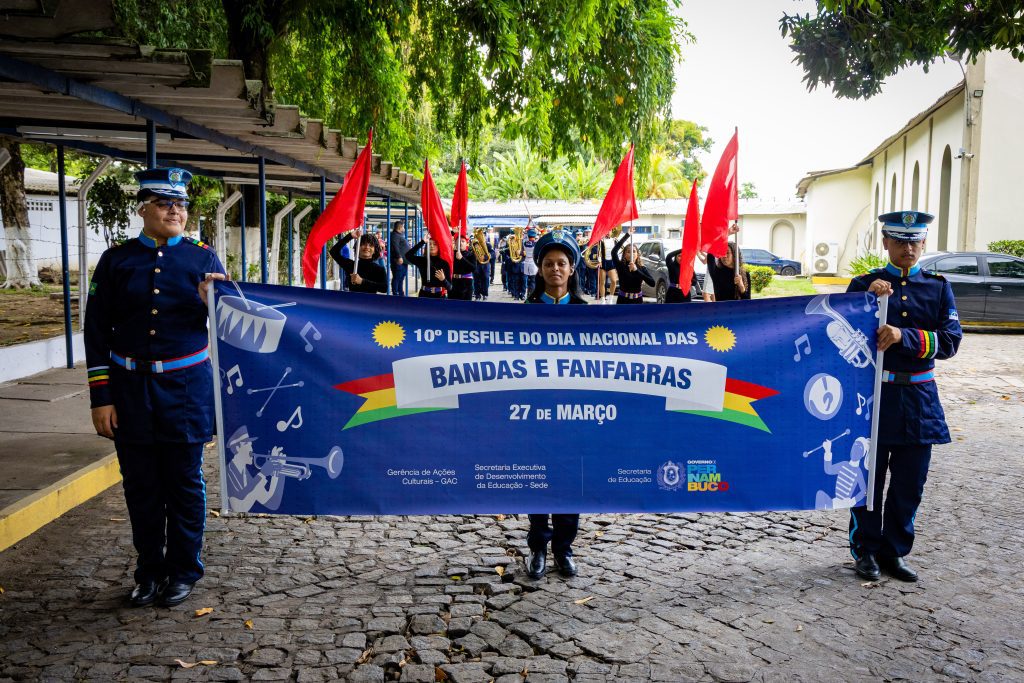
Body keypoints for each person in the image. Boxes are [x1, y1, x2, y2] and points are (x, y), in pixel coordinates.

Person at [84, 167, 226, 608]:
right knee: (140, 486)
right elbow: (96, 330)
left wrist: (214, 303)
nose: (176, 211)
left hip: (186, 388)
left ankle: (183, 571)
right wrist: (101, 397)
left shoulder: (203, 259)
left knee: (184, 483)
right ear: (143, 209)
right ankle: (149, 571)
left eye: (181, 204)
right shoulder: (117, 260)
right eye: (165, 204)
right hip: (128, 388)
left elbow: (232, 327)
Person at [845, 210, 962, 582]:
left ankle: (893, 553)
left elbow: (950, 342)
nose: (908, 248)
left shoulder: (938, 288)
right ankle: (865, 550)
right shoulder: (864, 285)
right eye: (899, 241)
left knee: (910, 484)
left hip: (920, 401)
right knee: (868, 483)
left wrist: (903, 336)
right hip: (873, 398)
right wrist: (866, 303)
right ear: (886, 243)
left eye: (914, 242)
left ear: (923, 243)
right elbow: (841, 334)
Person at [524, 230, 585, 578]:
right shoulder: (526, 312)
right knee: (536, 480)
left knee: (570, 481)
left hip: (576, 414)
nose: (555, 269)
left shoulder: (587, 314)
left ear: (571, 268)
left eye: (562, 263)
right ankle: (538, 548)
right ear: (540, 268)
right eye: (549, 263)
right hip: (535, 412)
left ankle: (563, 548)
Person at [329, 228, 388, 294]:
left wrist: (362, 281)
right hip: (352, 300)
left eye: (370, 245)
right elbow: (333, 251)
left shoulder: (379, 269)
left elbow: (384, 288)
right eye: (363, 244)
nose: (367, 247)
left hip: (371, 300)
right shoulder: (351, 265)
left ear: (375, 250)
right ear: (358, 247)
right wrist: (350, 236)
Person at [611, 228, 655, 304]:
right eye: (628, 252)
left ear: (637, 254)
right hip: (623, 300)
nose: (631, 253)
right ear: (624, 255)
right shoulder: (621, 266)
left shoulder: (642, 268)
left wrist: (636, 270)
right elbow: (614, 252)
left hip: (637, 301)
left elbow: (652, 283)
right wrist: (627, 235)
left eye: (634, 251)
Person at [450, 232, 477, 301]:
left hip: (466, 284)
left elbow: (473, 268)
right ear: (455, 243)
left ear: (467, 243)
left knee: (466, 305)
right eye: (458, 241)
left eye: (463, 241)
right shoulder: (451, 254)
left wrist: (462, 258)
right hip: (454, 283)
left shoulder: (471, 255)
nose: (460, 243)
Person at [389, 220, 410, 296]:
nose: (404, 228)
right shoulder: (395, 235)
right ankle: (396, 293)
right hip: (398, 261)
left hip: (404, 261)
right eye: (403, 227)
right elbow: (395, 246)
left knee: (401, 278)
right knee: (397, 277)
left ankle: (400, 293)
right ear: (400, 227)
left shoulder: (399, 235)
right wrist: (399, 257)